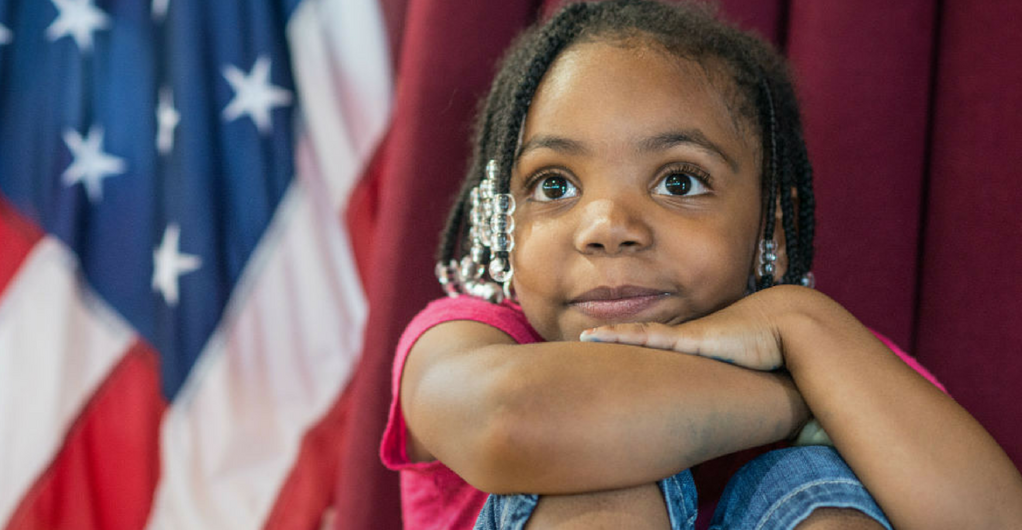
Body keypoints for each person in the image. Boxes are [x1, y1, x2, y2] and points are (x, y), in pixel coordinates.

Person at [379, 1, 1022, 528]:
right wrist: (800, 400)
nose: (607, 229)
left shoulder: (833, 353)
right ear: (504, 219)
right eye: (554, 186)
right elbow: (512, 423)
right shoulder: (468, 337)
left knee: (817, 489)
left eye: (679, 182)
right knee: (598, 462)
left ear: (769, 221)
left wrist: (800, 321)